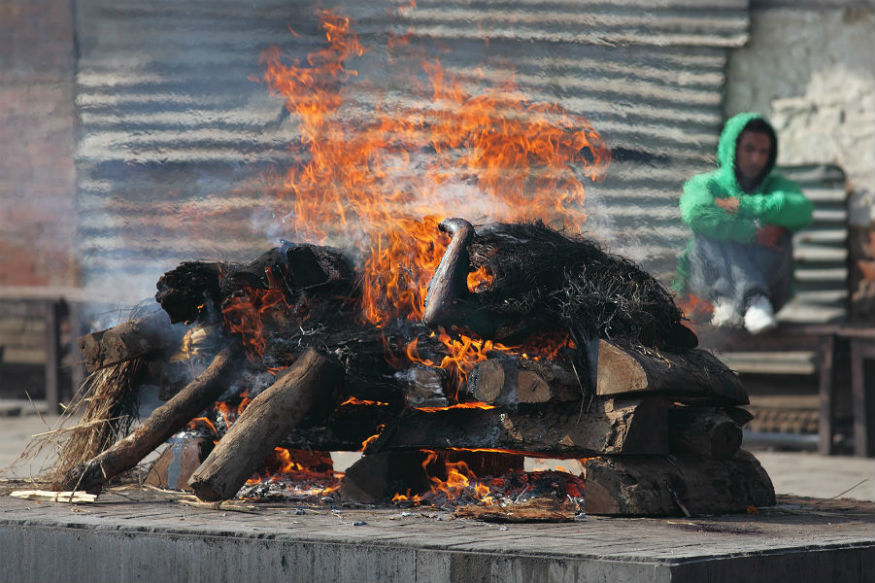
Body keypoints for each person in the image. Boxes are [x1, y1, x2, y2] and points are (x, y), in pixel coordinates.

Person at [675, 112, 814, 334]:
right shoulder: (706, 184)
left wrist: (744, 206)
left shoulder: (777, 185)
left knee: (780, 233)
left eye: (763, 152)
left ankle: (755, 301)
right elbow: (695, 212)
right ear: (733, 148)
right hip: (709, 297)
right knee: (708, 231)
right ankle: (736, 300)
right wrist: (750, 232)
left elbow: (802, 210)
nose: (756, 159)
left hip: (769, 296)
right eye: (749, 149)